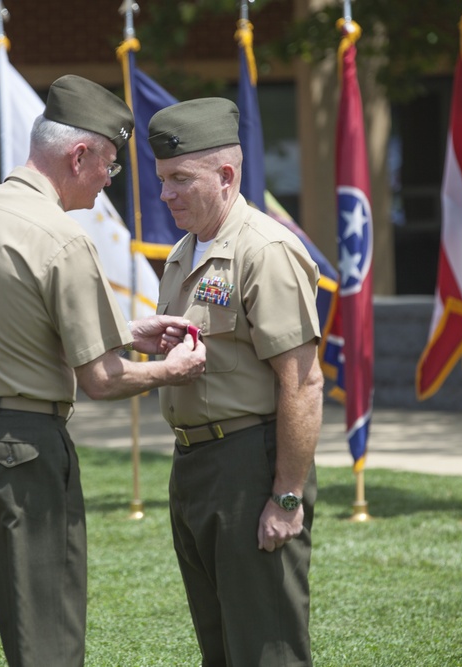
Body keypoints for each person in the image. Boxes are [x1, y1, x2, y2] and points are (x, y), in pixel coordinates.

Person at [0, 74, 206, 667]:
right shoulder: (62, 237)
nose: (110, 180)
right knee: (45, 640)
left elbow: (12, 325)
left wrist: (127, 330)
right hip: (19, 454)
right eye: (108, 165)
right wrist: (172, 371)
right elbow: (103, 380)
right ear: (79, 155)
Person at [149, 97, 324, 667]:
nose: (166, 193)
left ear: (226, 176)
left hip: (251, 465)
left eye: (180, 178)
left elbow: (302, 383)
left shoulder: (264, 251)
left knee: (265, 648)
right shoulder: (183, 253)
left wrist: (287, 495)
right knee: (220, 648)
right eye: (162, 179)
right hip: (195, 468)